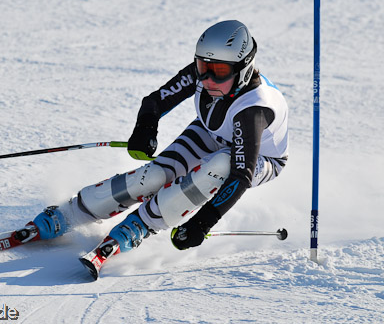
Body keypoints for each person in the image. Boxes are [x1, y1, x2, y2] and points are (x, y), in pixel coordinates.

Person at [28, 20, 288, 274]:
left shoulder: (254, 109)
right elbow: (154, 101)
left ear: (243, 68)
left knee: (220, 165)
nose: (207, 78)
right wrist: (145, 129)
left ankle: (140, 225)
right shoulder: (203, 75)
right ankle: (71, 212)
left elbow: (240, 176)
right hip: (213, 133)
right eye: (202, 66)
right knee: (154, 175)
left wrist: (202, 222)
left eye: (219, 71)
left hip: (262, 161)